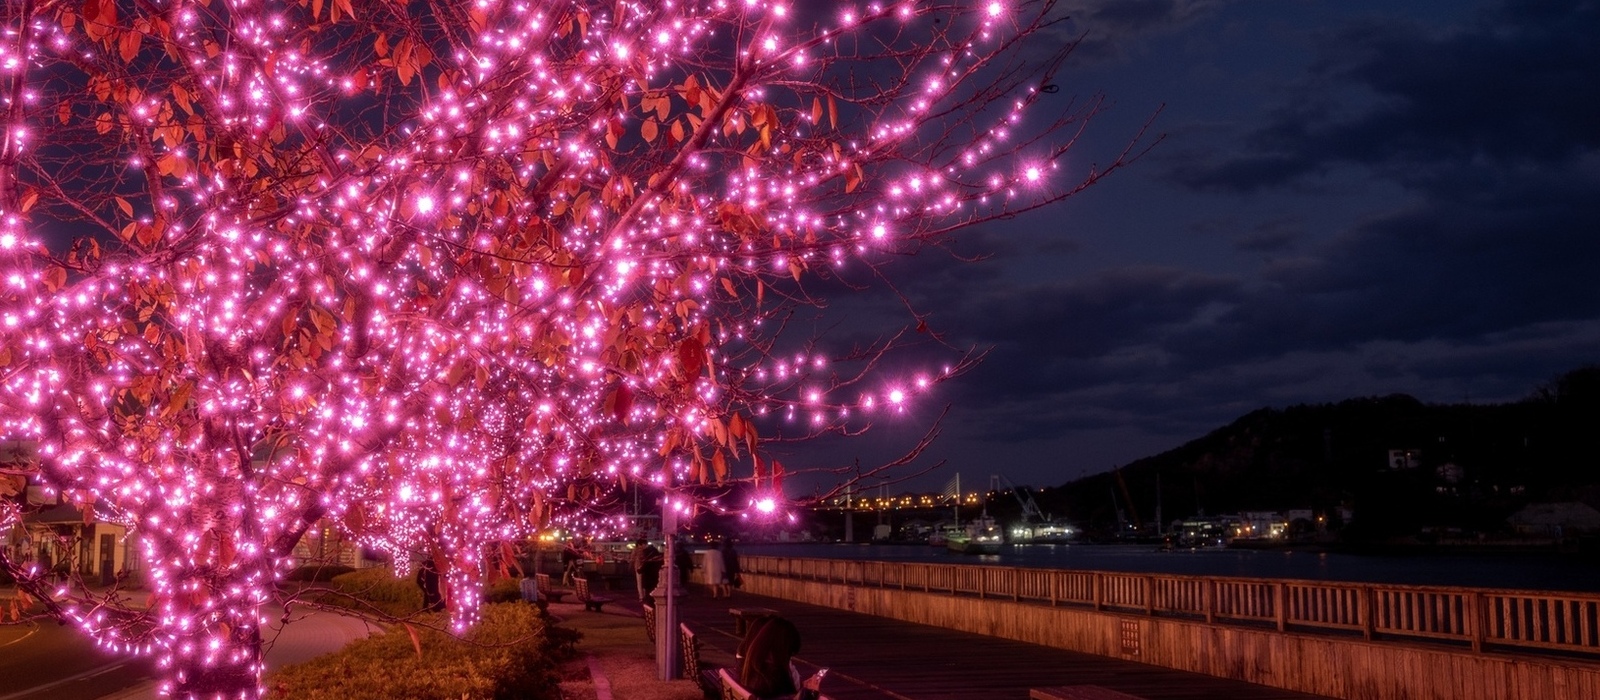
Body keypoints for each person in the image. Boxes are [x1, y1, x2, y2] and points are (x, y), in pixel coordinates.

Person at [737, 615, 802, 697]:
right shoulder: (775, 679)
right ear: (779, 650)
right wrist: (811, 692)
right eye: (788, 654)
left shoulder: (752, 668)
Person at [630, 538, 663, 602]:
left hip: (639, 568)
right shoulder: (647, 551)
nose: (645, 545)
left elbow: (632, 559)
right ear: (640, 544)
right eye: (644, 544)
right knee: (643, 582)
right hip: (644, 568)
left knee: (640, 583)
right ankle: (644, 596)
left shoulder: (635, 551)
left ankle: (641, 597)